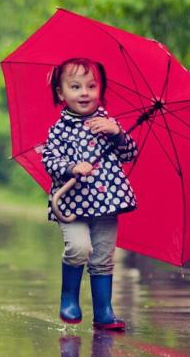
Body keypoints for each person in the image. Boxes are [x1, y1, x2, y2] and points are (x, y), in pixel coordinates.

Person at [41, 58, 138, 331]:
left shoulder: (108, 124)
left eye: (91, 86)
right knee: (79, 247)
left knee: (104, 256)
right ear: (61, 94)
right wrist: (72, 167)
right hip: (71, 204)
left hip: (106, 203)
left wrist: (117, 133)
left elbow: (130, 154)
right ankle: (69, 297)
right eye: (75, 86)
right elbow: (50, 161)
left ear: (100, 90)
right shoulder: (59, 130)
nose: (84, 93)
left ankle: (104, 311)